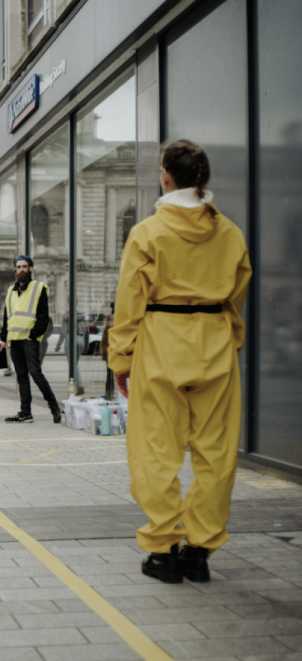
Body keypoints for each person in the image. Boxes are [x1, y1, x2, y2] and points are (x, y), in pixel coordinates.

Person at [109, 140, 251, 585]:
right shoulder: (229, 233)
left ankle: (163, 549)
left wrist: (121, 357)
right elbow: (237, 295)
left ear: (166, 176)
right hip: (215, 347)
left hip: (160, 345)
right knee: (217, 454)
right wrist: (230, 340)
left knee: (155, 451)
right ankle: (199, 550)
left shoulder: (148, 233)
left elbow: (130, 301)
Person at [0, 256, 63, 424]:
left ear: (31, 268)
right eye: (18, 267)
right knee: (21, 376)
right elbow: (8, 318)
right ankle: (25, 412)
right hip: (15, 340)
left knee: (35, 373)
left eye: (25, 266)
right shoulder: (11, 292)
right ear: (15, 270)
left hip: (30, 339)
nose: (21, 270)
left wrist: (33, 335)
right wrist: (3, 338)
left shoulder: (39, 288)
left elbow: (43, 316)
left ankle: (54, 407)